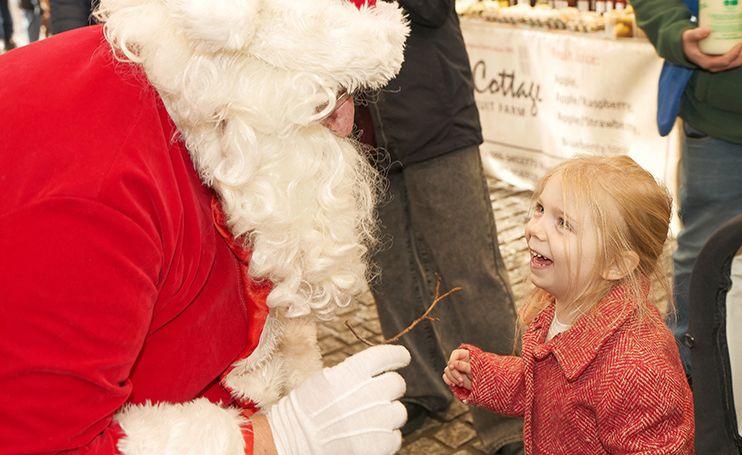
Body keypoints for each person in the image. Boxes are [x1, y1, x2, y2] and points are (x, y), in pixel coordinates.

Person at [0, 0, 414, 453]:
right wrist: (271, 439)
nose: (346, 124)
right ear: (242, 58)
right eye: (323, 93)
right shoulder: (101, 188)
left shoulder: (213, 125)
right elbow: (43, 443)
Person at [355, 0, 523, 452]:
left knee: (469, 272)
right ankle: (420, 387)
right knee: (389, 274)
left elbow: (428, 11)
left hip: (435, 116)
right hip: (362, 131)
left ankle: (508, 415)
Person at [443, 156, 695, 454]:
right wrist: (484, 375)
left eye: (563, 223)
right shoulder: (564, 309)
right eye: (540, 209)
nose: (534, 229)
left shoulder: (637, 367)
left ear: (615, 264)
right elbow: (544, 388)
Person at [630, 0, 742, 375]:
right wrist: (675, 32)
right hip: (732, 135)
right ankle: (679, 423)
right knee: (705, 300)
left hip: (734, 129)